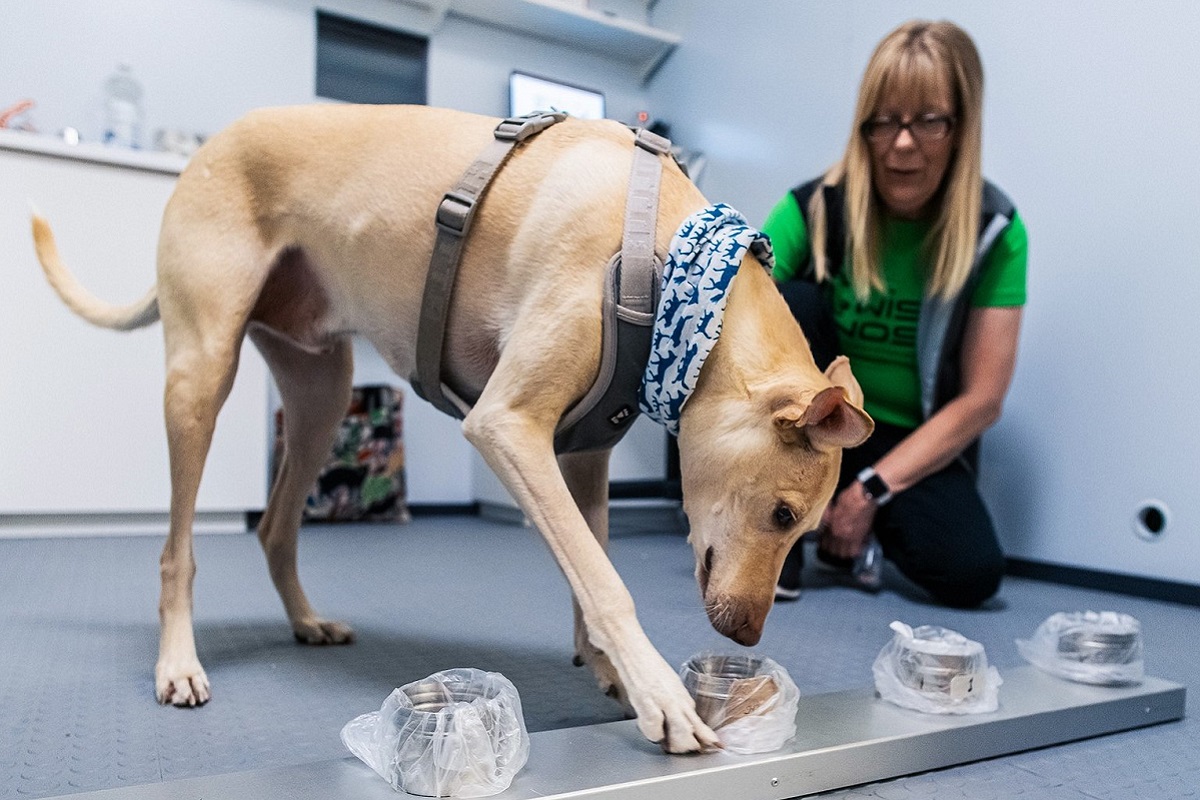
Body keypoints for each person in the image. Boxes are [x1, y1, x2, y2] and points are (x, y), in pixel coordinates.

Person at [765, 19, 1027, 608]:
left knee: (971, 574)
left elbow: (983, 399)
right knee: (786, 298)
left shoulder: (996, 231)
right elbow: (732, 305)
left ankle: (858, 525)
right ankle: (781, 536)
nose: (902, 144)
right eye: (884, 122)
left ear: (962, 128)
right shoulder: (812, 206)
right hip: (815, 425)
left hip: (908, 441)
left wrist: (867, 493)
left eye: (928, 121)